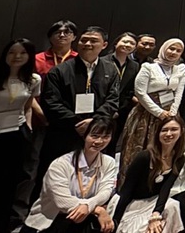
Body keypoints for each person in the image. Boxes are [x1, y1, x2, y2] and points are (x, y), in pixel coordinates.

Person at [37, 26, 120, 203]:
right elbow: (51, 103)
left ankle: (86, 208)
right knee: (55, 180)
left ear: (104, 45)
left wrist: (94, 124)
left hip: (96, 135)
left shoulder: (111, 70)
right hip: (65, 134)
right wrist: (78, 123)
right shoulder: (59, 70)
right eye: (84, 40)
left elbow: (113, 100)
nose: (87, 43)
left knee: (91, 181)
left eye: (93, 41)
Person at [22, 118, 116, 233]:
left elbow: (105, 192)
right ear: (84, 136)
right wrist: (98, 209)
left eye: (106, 137)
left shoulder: (109, 162)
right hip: (50, 222)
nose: (99, 141)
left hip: (84, 221)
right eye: (94, 136)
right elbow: (63, 201)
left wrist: (88, 206)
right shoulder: (60, 164)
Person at [0, 39, 41, 231]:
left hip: (15, 134)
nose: (17, 56)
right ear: (5, 55)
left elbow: (28, 106)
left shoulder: (33, 80)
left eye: (22, 52)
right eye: (12, 52)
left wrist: (28, 127)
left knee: (9, 184)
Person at [121, 38, 185, 181]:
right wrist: (159, 112)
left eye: (178, 50)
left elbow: (179, 92)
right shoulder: (148, 67)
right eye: (171, 49)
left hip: (170, 114)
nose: (174, 52)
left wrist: (173, 112)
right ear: (163, 49)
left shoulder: (180, 69)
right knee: (140, 150)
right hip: (146, 114)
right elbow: (140, 92)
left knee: (166, 149)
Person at [111, 116, 185, 233]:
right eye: (164, 130)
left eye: (174, 129)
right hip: (132, 203)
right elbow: (126, 191)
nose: (168, 134)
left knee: (173, 206)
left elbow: (165, 189)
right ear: (158, 133)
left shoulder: (179, 158)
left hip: (153, 202)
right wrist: (115, 222)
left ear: (181, 132)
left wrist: (156, 214)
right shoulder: (144, 157)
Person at [104, 32, 139, 153]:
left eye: (132, 43)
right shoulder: (102, 61)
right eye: (125, 41)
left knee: (113, 142)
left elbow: (130, 90)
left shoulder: (135, 66)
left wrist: (120, 108)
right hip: (103, 108)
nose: (127, 45)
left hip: (122, 110)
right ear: (116, 43)